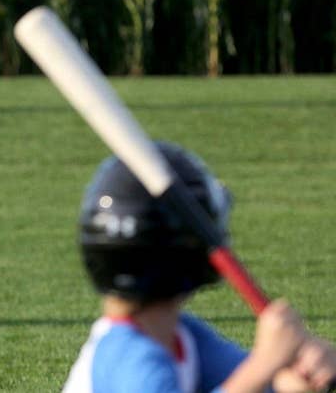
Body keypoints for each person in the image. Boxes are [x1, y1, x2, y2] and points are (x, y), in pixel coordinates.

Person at [62, 142, 336, 393]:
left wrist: (300, 372)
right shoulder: (132, 357)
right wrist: (264, 365)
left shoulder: (181, 335)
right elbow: (253, 378)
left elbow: (264, 382)